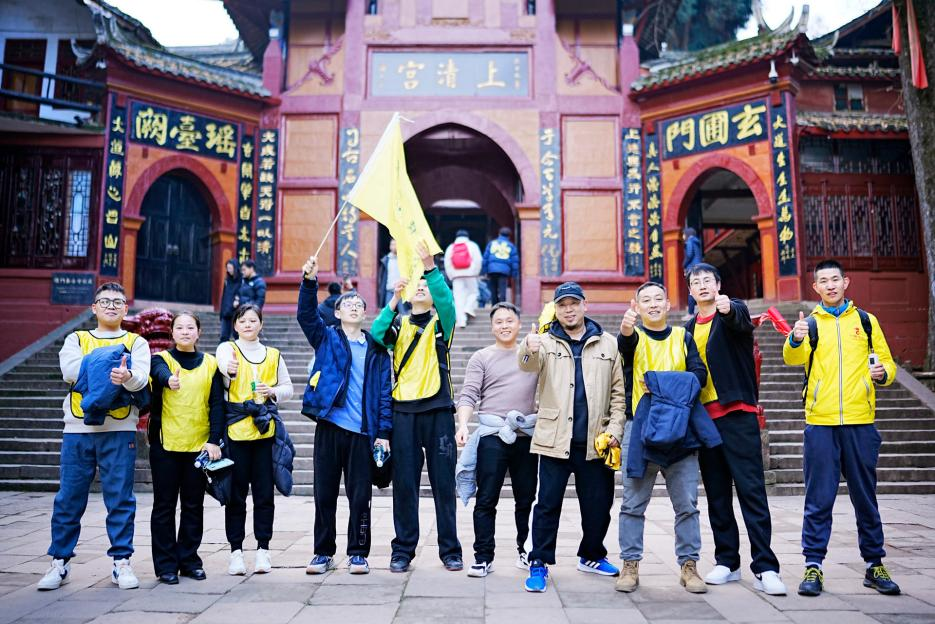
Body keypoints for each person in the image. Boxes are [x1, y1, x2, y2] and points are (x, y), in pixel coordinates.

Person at [783, 259, 900, 597]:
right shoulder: (811, 324)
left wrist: (884, 374)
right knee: (818, 499)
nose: (830, 285)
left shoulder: (865, 321)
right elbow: (792, 358)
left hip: (860, 422)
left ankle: (874, 564)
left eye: (835, 279)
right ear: (815, 287)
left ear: (846, 283)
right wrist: (795, 338)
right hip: (820, 423)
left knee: (866, 498)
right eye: (824, 281)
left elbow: (887, 362)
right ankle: (813, 566)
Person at [38, 282, 151, 591]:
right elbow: (70, 372)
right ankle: (60, 561)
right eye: (105, 301)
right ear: (94, 308)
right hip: (78, 428)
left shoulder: (137, 342)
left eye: (117, 302)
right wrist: (114, 363)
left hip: (120, 428)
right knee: (69, 498)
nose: (111, 306)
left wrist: (126, 376)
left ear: (126, 309)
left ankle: (121, 562)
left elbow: (141, 378)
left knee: (121, 498)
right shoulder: (76, 338)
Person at [684, 263, 786, 595]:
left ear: (718, 285)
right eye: (696, 282)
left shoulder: (734, 311)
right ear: (690, 291)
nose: (702, 286)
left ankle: (766, 567)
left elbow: (739, 319)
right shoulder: (687, 329)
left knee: (751, 492)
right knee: (716, 495)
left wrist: (728, 307)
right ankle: (727, 561)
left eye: (707, 281)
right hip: (705, 422)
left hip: (737, 415)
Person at [517, 282, 625, 593]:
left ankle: (591, 555)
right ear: (556, 309)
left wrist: (615, 430)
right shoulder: (544, 341)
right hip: (555, 439)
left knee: (598, 505)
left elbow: (619, 394)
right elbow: (526, 366)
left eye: (573, 304)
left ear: (584, 306)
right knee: (547, 504)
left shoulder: (608, 343)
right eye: (562, 305)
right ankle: (539, 561)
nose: (569, 310)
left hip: (596, 440)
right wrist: (528, 347)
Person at [612, 281, 712, 595]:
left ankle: (689, 566)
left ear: (668, 305)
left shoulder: (683, 337)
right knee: (632, 504)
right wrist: (625, 329)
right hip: (640, 430)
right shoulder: (634, 337)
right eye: (646, 300)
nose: (653, 304)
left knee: (687, 505)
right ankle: (630, 565)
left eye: (659, 299)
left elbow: (699, 375)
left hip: (680, 430)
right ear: (636, 306)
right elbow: (625, 346)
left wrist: (660, 383)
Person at [371, 240, 463, 573]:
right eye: (417, 285)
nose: (421, 288)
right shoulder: (399, 326)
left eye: (426, 286)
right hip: (404, 413)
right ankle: (402, 550)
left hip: (438, 411)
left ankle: (450, 550)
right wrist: (394, 299)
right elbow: (377, 334)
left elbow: (447, 303)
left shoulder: (442, 326)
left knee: (444, 485)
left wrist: (429, 267)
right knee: (405, 485)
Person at [297, 255, 392, 576]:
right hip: (329, 427)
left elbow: (384, 393)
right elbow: (306, 315)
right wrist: (309, 281)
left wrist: (383, 432)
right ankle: (322, 553)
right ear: (336, 313)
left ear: (365, 314)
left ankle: (358, 553)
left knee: (360, 497)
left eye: (358, 304)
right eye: (347, 304)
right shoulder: (327, 338)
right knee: (324, 494)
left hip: (363, 433)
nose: (353, 306)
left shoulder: (377, 350)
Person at [455, 302, 539, 577]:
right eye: (499, 321)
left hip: (526, 435)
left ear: (519, 324)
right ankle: (483, 556)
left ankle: (526, 551)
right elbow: (469, 394)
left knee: (526, 499)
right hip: (492, 435)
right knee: (486, 499)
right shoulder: (481, 356)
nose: (504, 326)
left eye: (509, 320)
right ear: (491, 327)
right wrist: (463, 425)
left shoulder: (532, 354)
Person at [216, 304, 293, 576]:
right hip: (236, 432)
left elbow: (288, 388)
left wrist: (272, 391)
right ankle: (235, 551)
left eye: (253, 320)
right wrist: (229, 369)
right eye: (242, 320)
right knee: (235, 495)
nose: (247, 324)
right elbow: (223, 364)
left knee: (264, 494)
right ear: (235, 325)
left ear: (261, 324)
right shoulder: (228, 349)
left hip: (265, 432)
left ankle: (263, 549)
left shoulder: (273, 354)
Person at [149, 312, 224, 585]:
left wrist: (214, 440)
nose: (184, 331)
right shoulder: (161, 360)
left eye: (190, 327)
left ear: (198, 332)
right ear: (172, 332)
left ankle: (189, 560)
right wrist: (169, 379)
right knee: (164, 505)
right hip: (166, 445)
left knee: (193, 505)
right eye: (179, 327)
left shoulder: (211, 363)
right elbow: (158, 374)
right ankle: (166, 565)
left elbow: (217, 405)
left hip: (199, 446)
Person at [444, 229, 483, 329]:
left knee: (458, 299)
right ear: (467, 236)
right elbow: (478, 260)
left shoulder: (451, 247)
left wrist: (451, 275)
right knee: (474, 293)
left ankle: (461, 321)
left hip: (456, 276)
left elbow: (447, 263)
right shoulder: (472, 245)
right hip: (470, 275)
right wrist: (476, 273)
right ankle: (468, 308)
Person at [482, 227, 519, 306]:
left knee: (493, 290)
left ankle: (494, 307)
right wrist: (514, 274)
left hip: (492, 270)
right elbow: (515, 262)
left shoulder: (492, 243)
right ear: (509, 236)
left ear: (499, 234)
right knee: (502, 290)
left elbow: (485, 258)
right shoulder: (511, 246)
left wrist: (485, 271)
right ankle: (502, 306)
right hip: (504, 271)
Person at [682, 227, 702, 318]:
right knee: (698, 289)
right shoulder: (696, 242)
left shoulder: (689, 241)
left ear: (687, 234)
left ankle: (690, 313)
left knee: (692, 290)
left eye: (683, 234)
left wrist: (684, 265)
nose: (683, 236)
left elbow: (689, 254)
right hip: (698, 267)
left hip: (691, 268)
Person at [220, 259, 241, 342]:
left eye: (230, 268)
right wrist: (222, 312)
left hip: (236, 311)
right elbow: (224, 296)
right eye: (227, 268)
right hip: (226, 310)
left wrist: (237, 300)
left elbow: (242, 293)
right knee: (224, 336)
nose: (229, 270)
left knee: (237, 335)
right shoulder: (227, 280)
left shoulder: (241, 280)